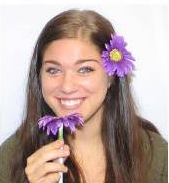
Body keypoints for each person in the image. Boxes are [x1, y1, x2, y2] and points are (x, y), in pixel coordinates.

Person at [0, 9, 167, 183]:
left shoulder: (156, 155)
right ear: (39, 76)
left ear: (111, 77)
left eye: (85, 69)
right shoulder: (12, 156)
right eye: (54, 70)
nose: (67, 86)